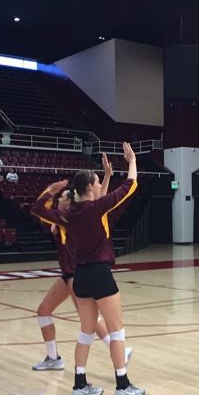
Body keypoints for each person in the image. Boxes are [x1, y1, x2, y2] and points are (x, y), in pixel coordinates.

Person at [41, 142, 143, 395]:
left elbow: (43, 209)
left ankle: (79, 386)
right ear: (89, 188)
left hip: (81, 278)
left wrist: (106, 175)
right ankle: (122, 386)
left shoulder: (70, 213)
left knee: (86, 333)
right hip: (100, 275)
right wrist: (132, 161)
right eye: (97, 183)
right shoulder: (95, 209)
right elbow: (129, 186)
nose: (99, 187)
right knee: (117, 332)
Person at [30, 154, 132, 373]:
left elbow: (98, 200)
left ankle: (115, 355)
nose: (59, 201)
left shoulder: (71, 217)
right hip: (70, 273)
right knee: (45, 311)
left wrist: (51, 190)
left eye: (62, 198)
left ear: (71, 199)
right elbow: (99, 201)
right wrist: (108, 175)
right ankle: (55, 358)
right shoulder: (66, 217)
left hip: (77, 273)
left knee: (89, 325)